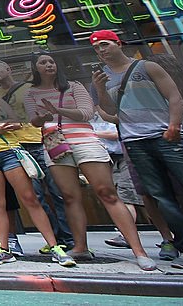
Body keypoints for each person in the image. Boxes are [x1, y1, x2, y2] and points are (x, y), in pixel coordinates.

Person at [23, 53, 155, 270]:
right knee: (69, 197)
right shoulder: (31, 93)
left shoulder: (73, 86)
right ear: (35, 68)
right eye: (43, 63)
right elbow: (33, 120)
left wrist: (58, 110)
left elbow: (86, 113)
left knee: (106, 192)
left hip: (84, 140)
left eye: (51, 61)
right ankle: (80, 247)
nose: (49, 65)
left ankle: (139, 251)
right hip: (54, 144)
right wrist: (43, 117)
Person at [0, 72, 76, 267]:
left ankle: (55, 247)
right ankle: (3, 249)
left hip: (10, 152)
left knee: (30, 198)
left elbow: (15, 124)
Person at [91, 30, 183, 258]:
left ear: (117, 43)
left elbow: (174, 96)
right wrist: (101, 90)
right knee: (158, 194)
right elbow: (110, 112)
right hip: (134, 142)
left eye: (104, 44)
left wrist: (174, 125)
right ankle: (178, 241)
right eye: (97, 47)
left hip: (165, 135)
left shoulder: (147, 67)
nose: (101, 50)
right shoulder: (102, 77)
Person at [0, 59, 74, 252]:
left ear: (8, 69)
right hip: (17, 147)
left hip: (40, 142)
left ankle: (69, 238)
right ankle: (53, 237)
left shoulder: (28, 88)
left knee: (57, 192)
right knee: (35, 195)